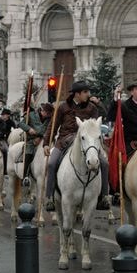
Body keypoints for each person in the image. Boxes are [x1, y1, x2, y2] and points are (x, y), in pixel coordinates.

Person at [43, 80, 110, 212]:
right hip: (65, 140)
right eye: (85, 92)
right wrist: (46, 143)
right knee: (51, 163)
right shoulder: (63, 107)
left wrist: (99, 104)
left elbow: (101, 119)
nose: (88, 94)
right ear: (77, 94)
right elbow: (53, 126)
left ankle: (104, 196)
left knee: (104, 163)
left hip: (87, 141)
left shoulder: (92, 107)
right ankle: (49, 197)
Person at [18, 103, 53, 184]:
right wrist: (28, 129)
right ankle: (25, 176)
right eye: (46, 113)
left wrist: (42, 138)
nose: (47, 115)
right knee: (28, 154)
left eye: (49, 113)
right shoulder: (31, 115)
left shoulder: (51, 119)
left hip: (44, 140)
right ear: (42, 110)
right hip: (31, 140)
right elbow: (21, 124)